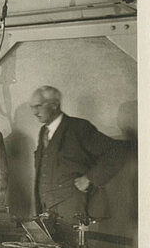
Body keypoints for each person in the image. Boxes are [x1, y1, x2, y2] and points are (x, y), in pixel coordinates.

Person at [30, 86, 126, 223]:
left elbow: (116, 151)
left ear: (54, 105)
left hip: (71, 208)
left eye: (39, 106)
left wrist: (90, 178)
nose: (35, 112)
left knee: (73, 237)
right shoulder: (43, 132)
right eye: (32, 107)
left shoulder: (78, 127)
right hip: (46, 207)